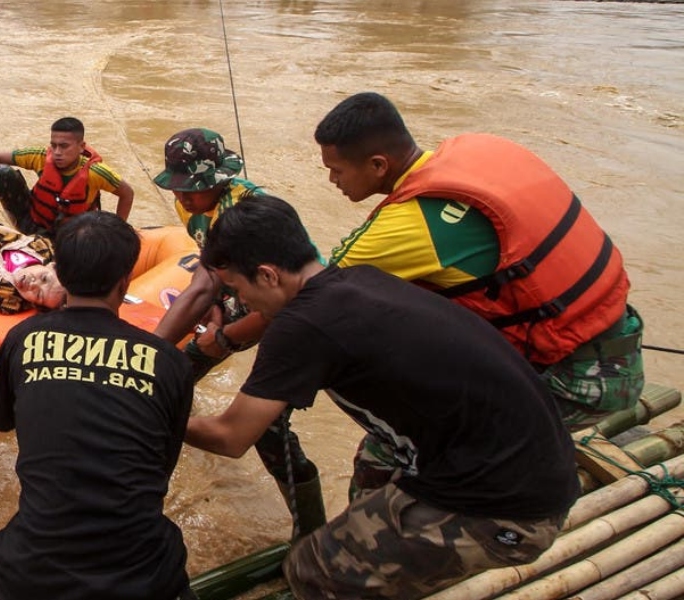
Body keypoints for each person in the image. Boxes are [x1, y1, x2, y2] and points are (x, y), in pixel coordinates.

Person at [187, 194, 578, 598]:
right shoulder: (362, 279)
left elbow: (230, 437)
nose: (240, 304)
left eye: (236, 289)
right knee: (369, 478)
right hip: (539, 466)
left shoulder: (301, 325)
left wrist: (149, 411)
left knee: (311, 568)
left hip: (509, 509)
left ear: (268, 275)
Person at [314, 91, 644, 496]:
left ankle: (368, 548)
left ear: (378, 165)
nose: (333, 181)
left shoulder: (404, 227)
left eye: (337, 170)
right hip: (615, 337)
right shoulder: (479, 151)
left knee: (385, 451)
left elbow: (315, 301)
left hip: (576, 382)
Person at [0, 211, 195, 600]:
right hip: (147, 576)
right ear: (125, 282)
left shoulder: (23, 338)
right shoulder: (169, 361)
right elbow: (161, 469)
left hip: (28, 573)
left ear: (61, 276)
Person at [150, 128, 326, 540]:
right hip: (243, 295)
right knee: (171, 378)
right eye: (178, 189)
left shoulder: (254, 219)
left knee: (269, 430)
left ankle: (311, 533)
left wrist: (227, 338)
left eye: (192, 189)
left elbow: (284, 299)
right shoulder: (193, 207)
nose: (183, 197)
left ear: (220, 179)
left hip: (297, 312)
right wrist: (211, 323)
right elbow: (210, 276)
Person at [0, 117, 135, 237]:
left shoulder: (96, 173)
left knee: (96, 228)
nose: (57, 152)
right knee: (2, 173)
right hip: (31, 223)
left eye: (64, 146)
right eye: (53, 145)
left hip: (68, 238)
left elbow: (127, 193)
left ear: (81, 147)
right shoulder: (40, 157)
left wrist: (117, 230)